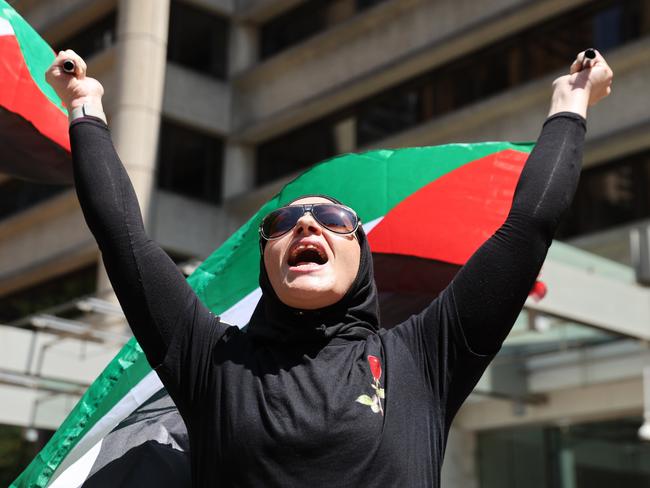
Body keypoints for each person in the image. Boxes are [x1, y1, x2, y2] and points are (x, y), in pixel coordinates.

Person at [46, 48, 612, 487]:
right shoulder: (210, 360)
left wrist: (570, 104)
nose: (307, 225)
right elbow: (123, 239)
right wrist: (85, 106)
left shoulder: (423, 358)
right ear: (266, 260)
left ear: (362, 255)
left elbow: (527, 227)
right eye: (285, 220)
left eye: (334, 217)